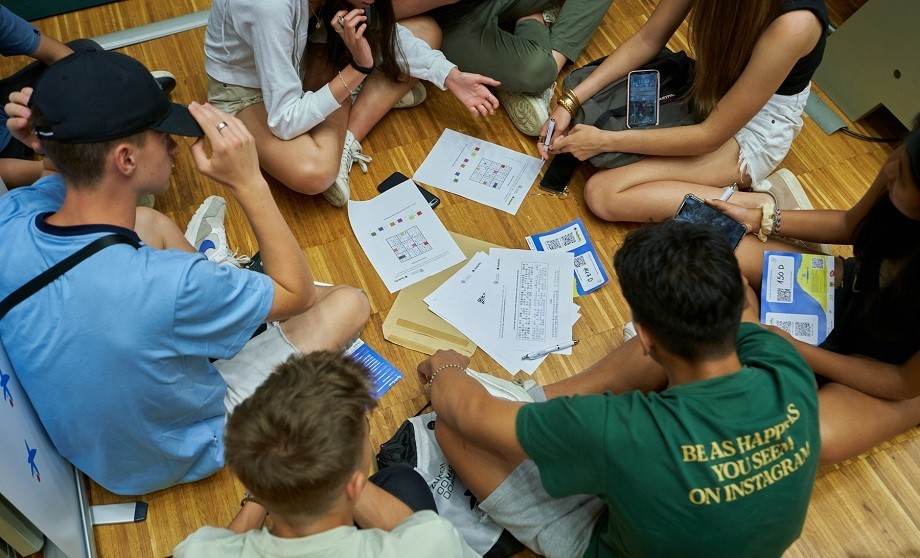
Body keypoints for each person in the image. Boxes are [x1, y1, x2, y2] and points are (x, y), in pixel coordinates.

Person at [0, 50, 370, 495]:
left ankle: (220, 298)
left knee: (151, 222)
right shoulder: (169, 284)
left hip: (99, 453)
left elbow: (62, 176)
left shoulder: (13, 214)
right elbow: (298, 293)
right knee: (349, 303)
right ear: (125, 159)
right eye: (161, 135)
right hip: (180, 449)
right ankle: (223, 300)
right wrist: (249, 182)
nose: (174, 144)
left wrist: (49, 146)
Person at [419, 219, 820, 557]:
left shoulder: (623, 429)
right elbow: (745, 312)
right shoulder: (783, 362)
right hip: (739, 541)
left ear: (643, 336)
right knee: (681, 340)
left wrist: (446, 369)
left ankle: (535, 414)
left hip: (620, 538)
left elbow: (469, 414)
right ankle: (538, 413)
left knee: (452, 428)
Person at [706, 120, 920, 464]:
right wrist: (760, 218)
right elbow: (851, 225)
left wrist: (789, 345)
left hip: (893, 370)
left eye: (906, 178)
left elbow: (901, 382)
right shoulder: (905, 162)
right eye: (902, 153)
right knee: (720, 249)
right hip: (855, 288)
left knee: (798, 441)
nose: (891, 169)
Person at [540, 0, 827, 224]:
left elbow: (709, 136)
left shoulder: (796, 23)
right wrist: (570, 101)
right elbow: (647, 40)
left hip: (754, 130)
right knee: (603, 118)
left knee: (603, 194)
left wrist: (604, 140)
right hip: (710, 86)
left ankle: (762, 207)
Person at [174, 351, 479, 557]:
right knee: (401, 479)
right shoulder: (431, 542)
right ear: (356, 485)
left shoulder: (200, 549)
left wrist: (265, 491)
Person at [204, 0, 500, 207]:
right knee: (316, 172)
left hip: (304, 56)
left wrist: (451, 76)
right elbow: (284, 120)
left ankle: (345, 136)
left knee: (427, 33)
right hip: (247, 92)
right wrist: (357, 69)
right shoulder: (270, 7)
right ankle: (359, 96)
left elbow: (378, 32)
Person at [391, 0, 611, 137]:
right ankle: (532, 33)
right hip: (443, 17)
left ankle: (531, 52)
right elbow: (386, 10)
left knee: (540, 69)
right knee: (537, 71)